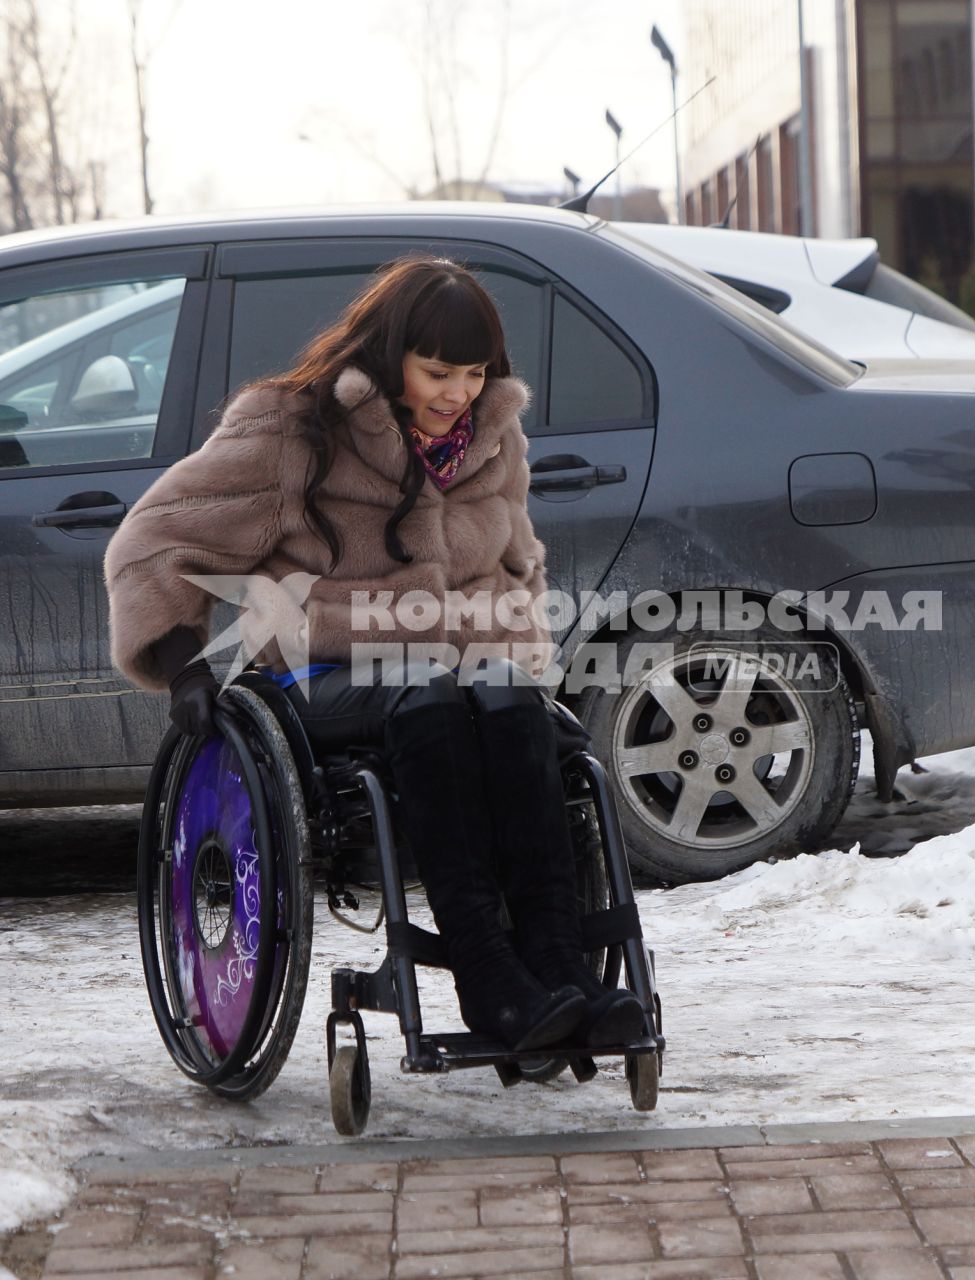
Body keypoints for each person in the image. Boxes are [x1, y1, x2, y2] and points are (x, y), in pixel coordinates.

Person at [105, 257, 645, 1053]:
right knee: (425, 689)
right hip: (319, 671)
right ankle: (489, 980)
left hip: (462, 676)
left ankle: (563, 973)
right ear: (392, 356)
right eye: (437, 372)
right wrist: (184, 661)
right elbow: (150, 541)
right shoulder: (294, 426)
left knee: (505, 696)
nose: (457, 393)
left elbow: (520, 565)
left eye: (473, 373)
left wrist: (523, 669)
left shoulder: (495, 438)